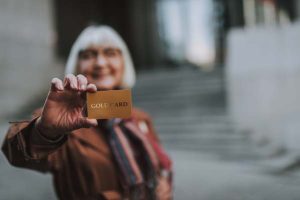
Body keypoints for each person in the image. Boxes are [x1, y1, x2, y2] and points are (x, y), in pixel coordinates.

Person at [2, 25, 173, 200]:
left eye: (110, 53)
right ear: (76, 65)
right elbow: (15, 153)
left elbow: (159, 168)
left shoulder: (140, 117)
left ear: (124, 62)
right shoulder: (59, 121)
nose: (100, 63)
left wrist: (163, 187)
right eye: (88, 55)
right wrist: (45, 131)